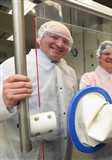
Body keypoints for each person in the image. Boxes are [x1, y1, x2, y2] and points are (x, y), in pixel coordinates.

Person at [0, 21, 77, 160]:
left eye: (65, 41)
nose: (59, 44)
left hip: (61, 151)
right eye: (54, 37)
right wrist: (5, 102)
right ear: (39, 38)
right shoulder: (15, 65)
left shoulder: (69, 72)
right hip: (23, 153)